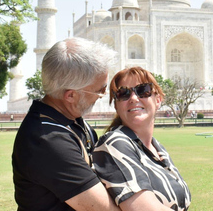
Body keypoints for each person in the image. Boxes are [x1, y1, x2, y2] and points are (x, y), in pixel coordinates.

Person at [12, 37, 118, 211]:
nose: (103, 94)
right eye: (100, 90)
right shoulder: (47, 140)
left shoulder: (70, 120)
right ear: (70, 96)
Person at [93, 67, 191, 211]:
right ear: (116, 106)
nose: (133, 98)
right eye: (123, 93)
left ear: (158, 100)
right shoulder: (115, 144)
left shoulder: (156, 148)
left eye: (143, 90)